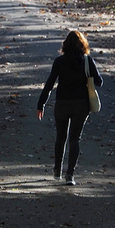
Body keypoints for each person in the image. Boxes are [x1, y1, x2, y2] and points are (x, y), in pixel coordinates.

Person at [37, 30, 103, 185]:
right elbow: (99, 82)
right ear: (82, 45)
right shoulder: (87, 61)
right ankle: (70, 175)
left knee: (61, 138)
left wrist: (41, 104)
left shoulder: (59, 61)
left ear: (65, 45)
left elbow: (49, 85)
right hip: (81, 104)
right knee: (75, 139)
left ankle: (57, 170)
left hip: (62, 103)